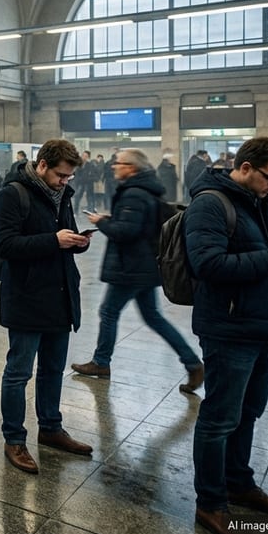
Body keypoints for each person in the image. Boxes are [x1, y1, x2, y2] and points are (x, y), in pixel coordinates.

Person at [186, 137, 268, 534]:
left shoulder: (256, 204)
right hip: (228, 329)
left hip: (260, 325)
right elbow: (207, 264)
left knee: (248, 412)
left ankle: (239, 484)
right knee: (220, 418)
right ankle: (210, 502)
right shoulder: (211, 203)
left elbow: (256, 260)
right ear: (244, 168)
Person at [0, 139, 93, 475]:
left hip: (60, 295)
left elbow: (64, 235)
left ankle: (50, 428)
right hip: (26, 296)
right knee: (19, 373)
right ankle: (14, 439)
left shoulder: (63, 193)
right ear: (41, 165)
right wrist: (55, 241)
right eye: (61, 175)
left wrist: (77, 242)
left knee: (53, 370)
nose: (65, 181)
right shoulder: (12, 194)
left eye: (69, 177)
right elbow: (4, 244)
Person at [71, 149, 204, 390]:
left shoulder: (133, 193)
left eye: (119, 163)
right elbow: (135, 224)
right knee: (153, 317)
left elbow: (126, 232)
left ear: (131, 168)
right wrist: (112, 218)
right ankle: (193, 364)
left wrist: (101, 222)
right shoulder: (147, 190)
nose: (114, 166)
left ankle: (101, 362)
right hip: (143, 265)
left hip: (131, 266)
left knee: (109, 312)